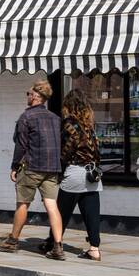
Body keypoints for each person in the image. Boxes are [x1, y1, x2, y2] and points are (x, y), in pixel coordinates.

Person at [0, 79, 65, 259]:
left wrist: (14, 166)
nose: (27, 96)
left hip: (32, 166)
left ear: (35, 96)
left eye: (28, 94)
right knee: (52, 205)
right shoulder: (56, 119)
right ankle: (58, 247)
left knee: (23, 204)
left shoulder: (26, 117)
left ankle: (12, 241)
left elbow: (21, 145)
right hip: (52, 168)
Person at [41, 88, 103, 261]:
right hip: (92, 174)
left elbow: (66, 151)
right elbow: (97, 150)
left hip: (75, 172)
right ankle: (94, 249)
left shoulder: (69, 124)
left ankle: (53, 243)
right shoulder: (89, 124)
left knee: (60, 212)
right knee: (91, 213)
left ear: (68, 105)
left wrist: (58, 170)